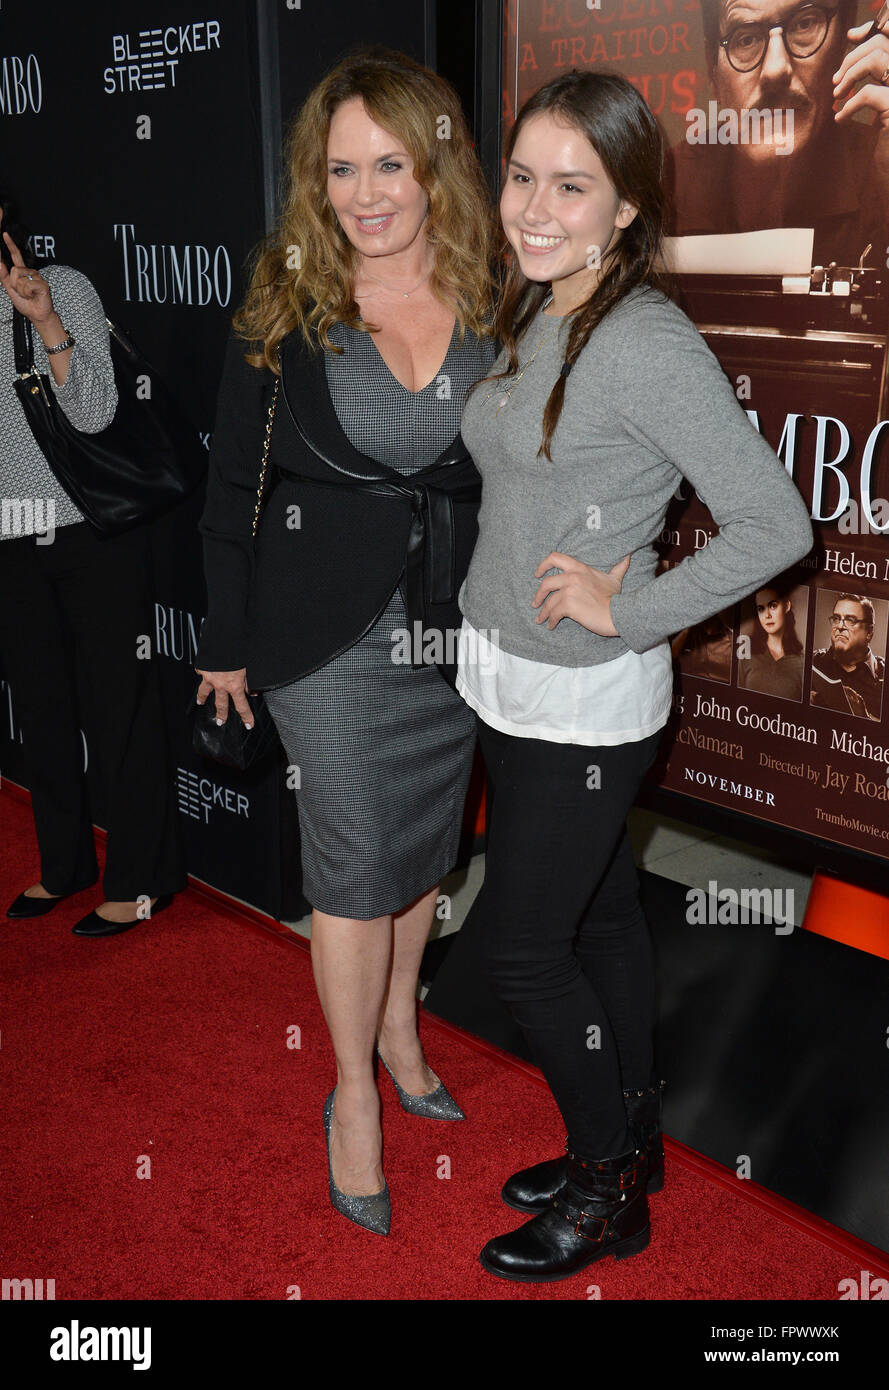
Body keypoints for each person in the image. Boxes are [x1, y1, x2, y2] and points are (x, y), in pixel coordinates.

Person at [454, 69, 813, 1283]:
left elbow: (776, 521)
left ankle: (607, 1183)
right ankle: (635, 1138)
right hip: (511, 676)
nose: (534, 208)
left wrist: (633, 608)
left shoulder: (642, 338)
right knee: (601, 915)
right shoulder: (538, 303)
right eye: (521, 176)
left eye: (572, 186)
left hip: (582, 697)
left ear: (624, 209)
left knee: (519, 951)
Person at [193, 48, 497, 1236]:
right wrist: (222, 640)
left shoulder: (495, 291)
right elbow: (230, 486)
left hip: (452, 627)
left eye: (391, 163)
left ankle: (403, 1026)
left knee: (420, 858)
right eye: (340, 169)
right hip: (323, 634)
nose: (367, 192)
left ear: (436, 168)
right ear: (314, 183)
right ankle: (353, 1093)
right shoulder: (287, 298)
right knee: (354, 870)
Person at [0, 194, 186, 936]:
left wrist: (45, 322)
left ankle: (144, 879)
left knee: (121, 708)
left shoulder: (62, 285)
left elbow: (97, 414)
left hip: (88, 531)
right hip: (11, 536)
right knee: (41, 710)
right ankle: (65, 864)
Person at [668, 0, 889, 267]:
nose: (775, 70)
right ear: (712, 66)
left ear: (843, 41)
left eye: (804, 24)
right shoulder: (663, 185)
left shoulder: (881, 166)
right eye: (745, 39)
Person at [810, 592, 884, 718]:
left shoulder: (883, 674)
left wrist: (864, 716)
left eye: (850, 620)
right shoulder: (811, 662)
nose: (839, 626)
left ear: (869, 632)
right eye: (836, 618)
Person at [737, 581, 805, 699]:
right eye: (761, 609)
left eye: (773, 606)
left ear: (786, 606)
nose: (767, 615)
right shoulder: (746, 653)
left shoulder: (802, 662)